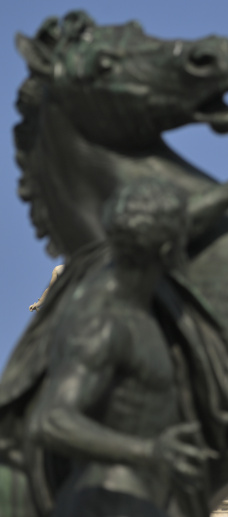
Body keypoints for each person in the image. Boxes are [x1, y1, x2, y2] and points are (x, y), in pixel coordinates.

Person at [27, 180, 217, 517]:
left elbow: (185, 221)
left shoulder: (141, 301)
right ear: (166, 250)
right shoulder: (105, 320)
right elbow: (51, 419)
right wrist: (148, 451)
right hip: (107, 501)